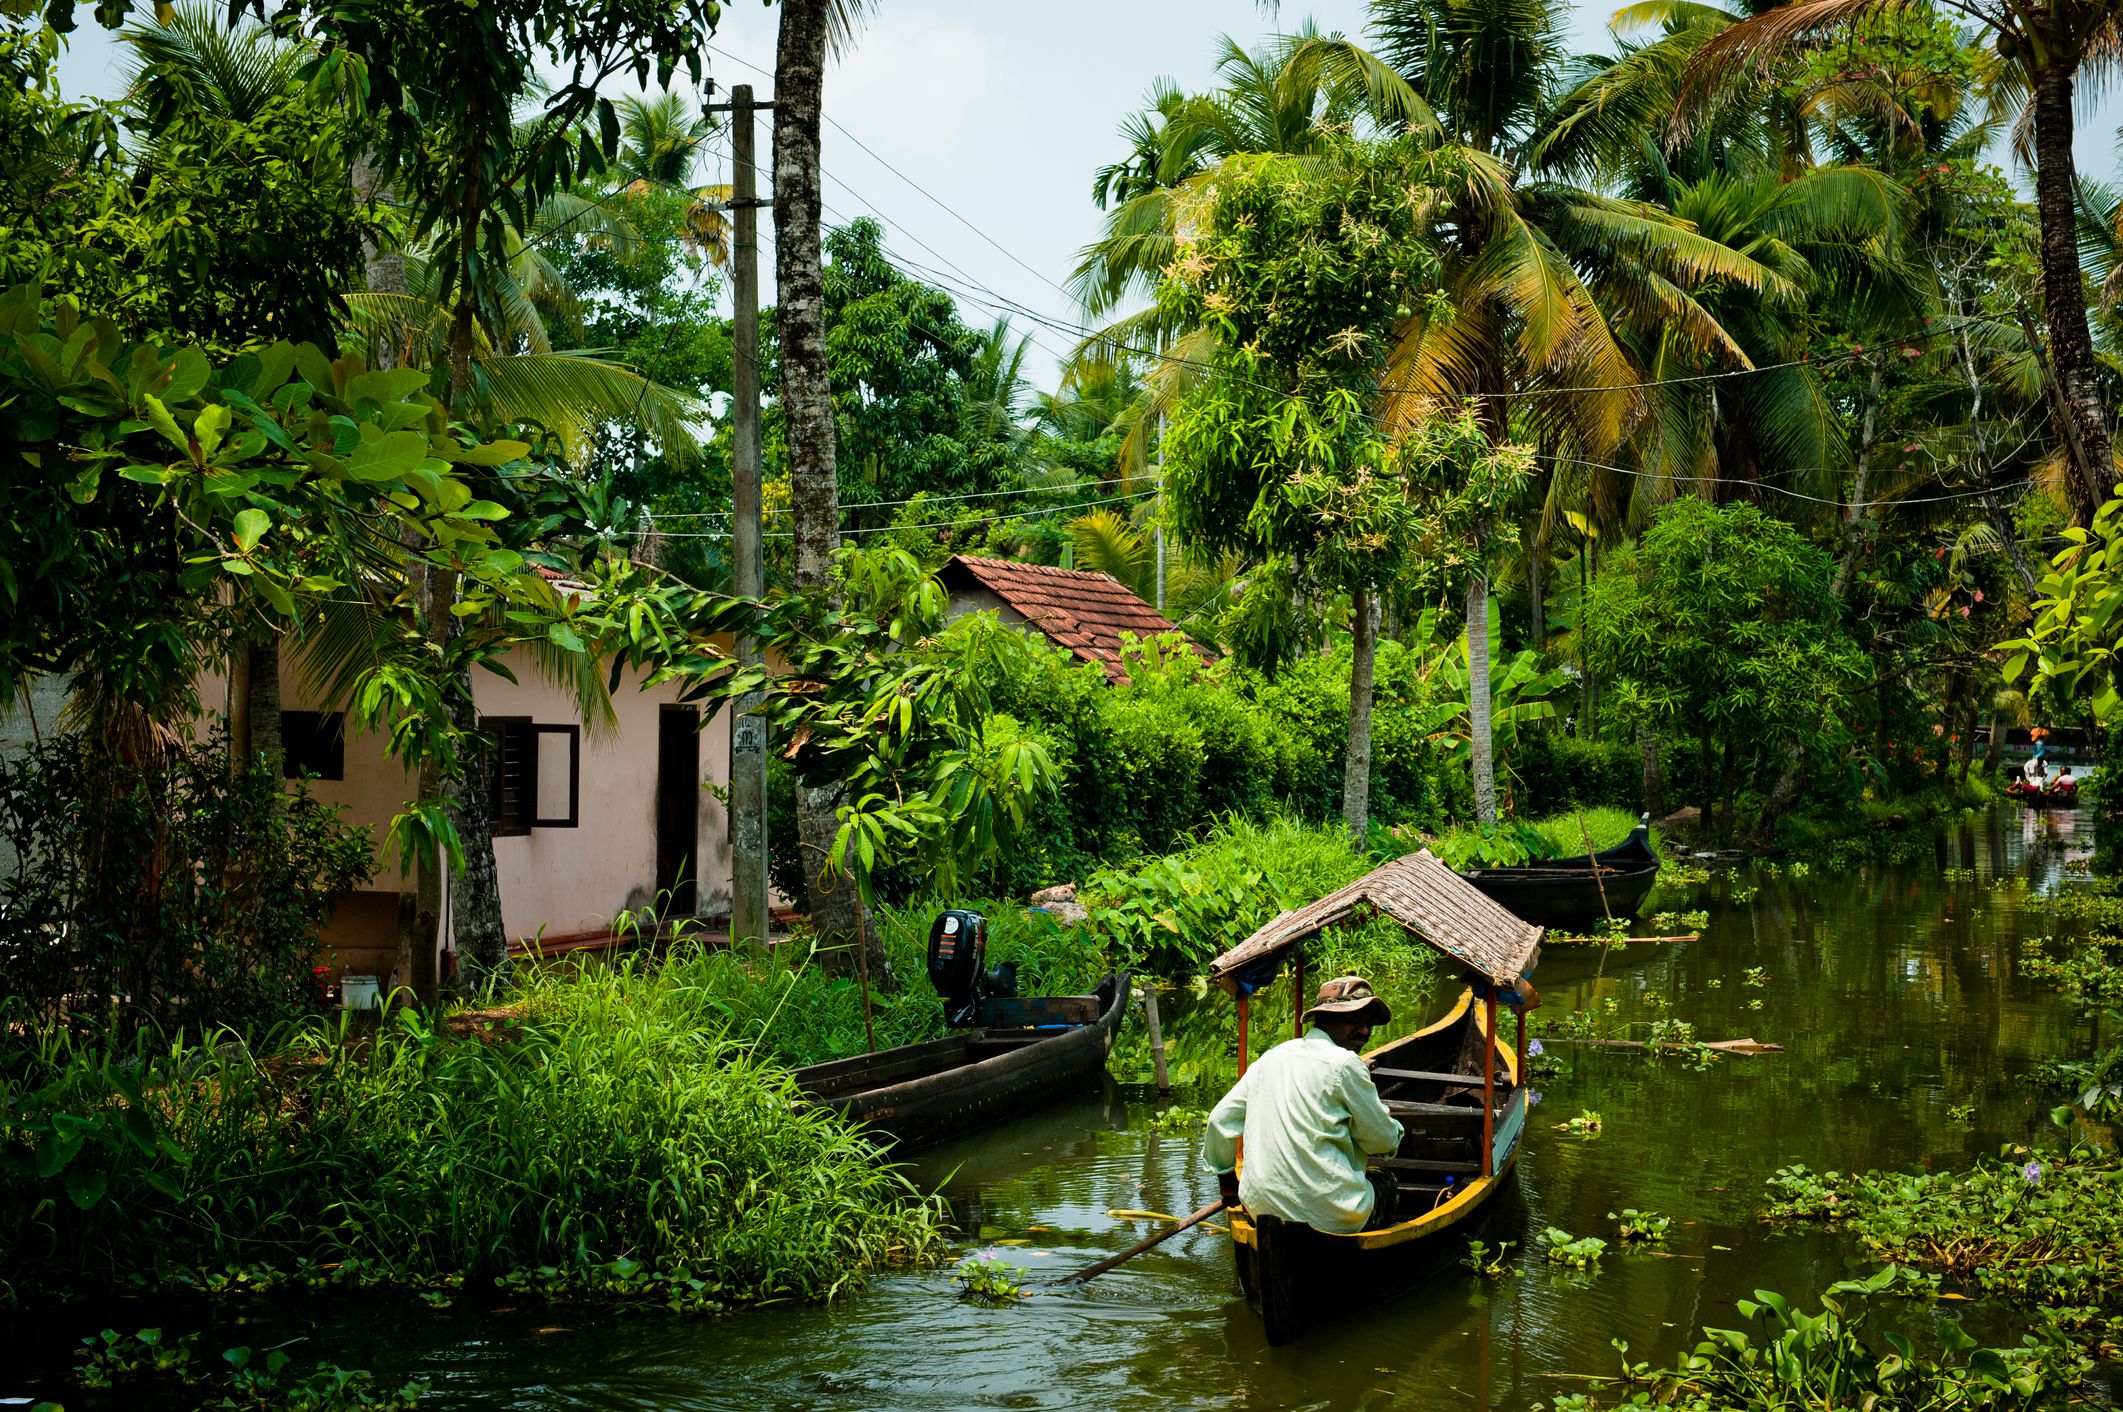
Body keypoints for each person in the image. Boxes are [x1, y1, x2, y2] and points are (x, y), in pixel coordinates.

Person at [1202, 975, 1404, 1235]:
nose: (1364, 1031)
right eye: (1353, 1021)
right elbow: (1382, 1142)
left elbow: (1219, 1120)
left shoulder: (1271, 1058)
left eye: (1368, 1024)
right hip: (1330, 1216)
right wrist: (1392, 1125)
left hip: (1261, 1208)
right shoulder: (1345, 1065)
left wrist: (1228, 1181)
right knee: (1385, 1181)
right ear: (1324, 1019)